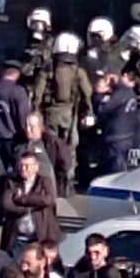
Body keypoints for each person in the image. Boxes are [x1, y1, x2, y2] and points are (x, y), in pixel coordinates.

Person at [39, 33, 95, 198]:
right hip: (70, 116)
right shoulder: (78, 71)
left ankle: (50, 183)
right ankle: (67, 184)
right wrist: (88, 111)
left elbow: (37, 93)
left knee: (49, 149)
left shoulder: (48, 68)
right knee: (70, 150)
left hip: (50, 114)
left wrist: (36, 110)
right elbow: (87, 93)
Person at [0, 62, 34, 221]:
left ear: (2, 72)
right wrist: (27, 136)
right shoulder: (18, 92)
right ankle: (14, 209)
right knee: (17, 175)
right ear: (17, 74)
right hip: (14, 140)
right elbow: (22, 118)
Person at [2, 149, 60, 249]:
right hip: (16, 237)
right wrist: (30, 208)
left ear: (36, 167)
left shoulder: (44, 181)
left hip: (39, 236)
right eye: (21, 165)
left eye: (27, 166)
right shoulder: (11, 182)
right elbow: (7, 204)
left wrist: (21, 199)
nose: (23, 169)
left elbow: (48, 199)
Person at [91, 68, 140, 175]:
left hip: (117, 138)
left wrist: (98, 94)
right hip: (128, 136)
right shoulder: (129, 93)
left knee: (116, 172)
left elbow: (103, 110)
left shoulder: (121, 94)